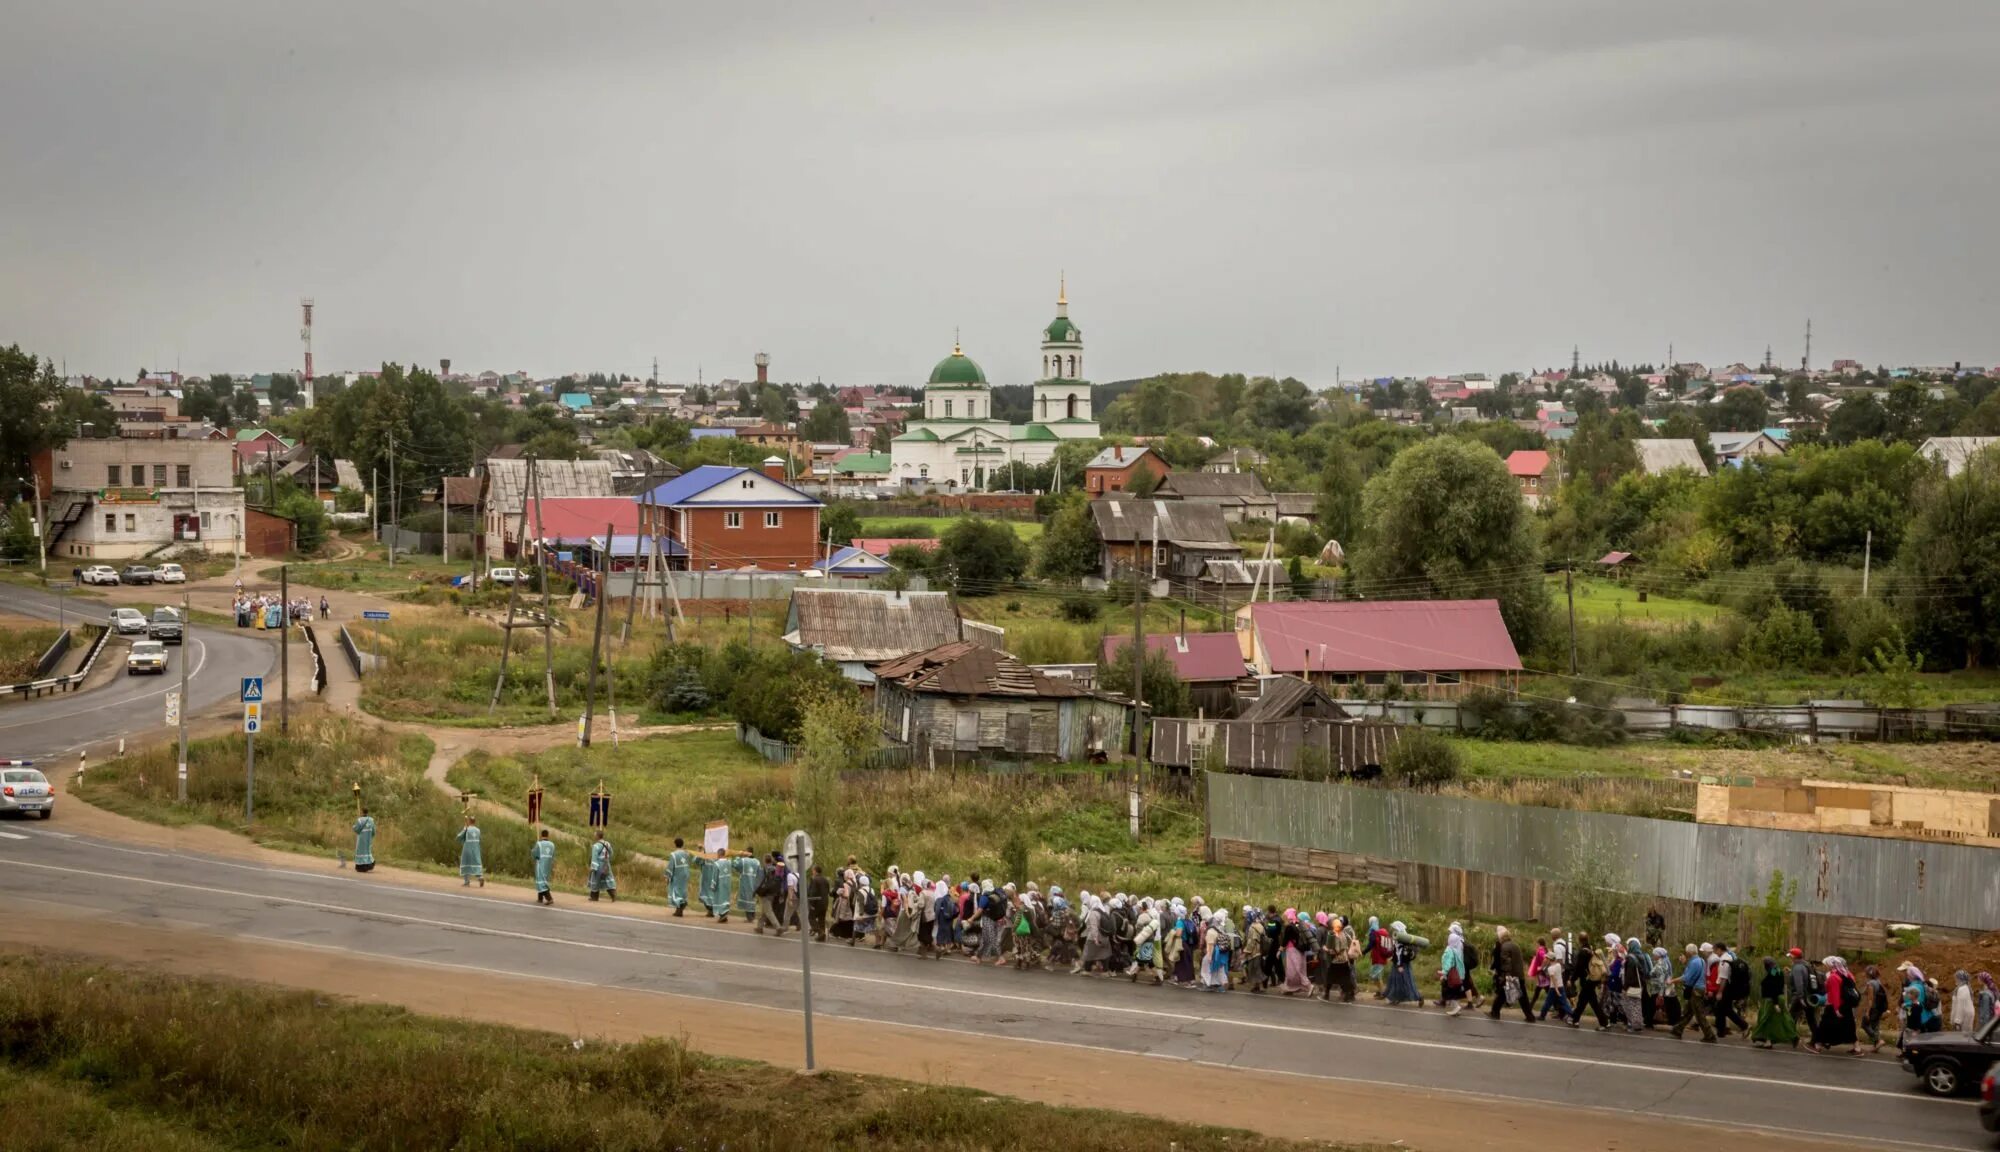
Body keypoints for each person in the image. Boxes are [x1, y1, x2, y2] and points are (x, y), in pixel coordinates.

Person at [1811, 957, 1860, 1055]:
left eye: (1826, 964)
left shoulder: (1833, 977)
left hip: (1835, 1005)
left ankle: (1818, 1046)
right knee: (1849, 1026)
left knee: (1824, 1025)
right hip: (1847, 1005)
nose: (1825, 966)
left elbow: (1835, 994)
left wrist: (1836, 1009)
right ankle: (1857, 1048)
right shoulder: (1847, 974)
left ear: (1831, 965)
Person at [1670, 944, 1716, 1042]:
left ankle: (1710, 1035)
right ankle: (1678, 1029)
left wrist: (1672, 980)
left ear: (1689, 952)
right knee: (1688, 1011)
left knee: (1699, 1014)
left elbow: (1687, 977)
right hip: (1699, 988)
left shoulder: (1694, 962)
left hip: (1696, 990)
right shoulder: (1701, 961)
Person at [1750, 957, 1800, 1049]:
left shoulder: (1774, 973)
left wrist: (1775, 1003)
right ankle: (1791, 1036)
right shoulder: (1777, 971)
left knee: (1766, 1020)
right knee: (1781, 1019)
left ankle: (1765, 1039)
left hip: (1772, 1000)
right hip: (1776, 998)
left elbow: (1774, 988)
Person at [1490, 925, 1532, 1022]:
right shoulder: (1515, 945)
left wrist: (1505, 975)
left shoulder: (1504, 947)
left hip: (1511, 975)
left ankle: (1495, 1012)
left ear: (1501, 937)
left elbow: (1507, 962)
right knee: (1522, 997)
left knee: (1502, 995)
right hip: (1519, 974)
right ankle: (1530, 1016)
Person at [1385, 921, 1427, 1007]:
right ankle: (1396, 998)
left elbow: (1399, 953)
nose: (1393, 929)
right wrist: (1393, 959)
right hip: (1404, 964)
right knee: (1399, 981)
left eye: (1394, 928)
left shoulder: (1400, 939)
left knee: (1405, 982)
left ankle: (1419, 997)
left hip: (1400, 965)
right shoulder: (1404, 937)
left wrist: (1399, 965)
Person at [1714, 944, 1750, 1038]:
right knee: (1722, 1009)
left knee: (1724, 1009)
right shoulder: (1731, 956)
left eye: (1715, 950)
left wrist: (1720, 992)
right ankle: (1721, 1031)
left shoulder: (1724, 961)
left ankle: (1744, 1026)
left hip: (1726, 988)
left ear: (1719, 949)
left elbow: (1724, 978)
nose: (1715, 952)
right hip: (1731, 987)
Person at [1320, 914, 1359, 1003]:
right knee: (1345, 978)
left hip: (1337, 960)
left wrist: (1326, 949)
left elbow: (1336, 950)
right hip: (1344, 959)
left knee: (1330, 978)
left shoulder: (1336, 936)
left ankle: (1326, 995)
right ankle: (1348, 996)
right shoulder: (1343, 934)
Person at [1537, 943, 1573, 1024]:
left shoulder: (1550, 969)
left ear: (1549, 959)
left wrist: (1556, 990)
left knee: (1548, 1002)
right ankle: (1572, 1015)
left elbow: (1553, 980)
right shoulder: (1558, 965)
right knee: (1564, 1003)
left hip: (1554, 988)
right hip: (1561, 986)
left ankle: (1542, 1016)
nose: (1546, 959)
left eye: (1547, 958)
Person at [1279, 909, 1312, 996]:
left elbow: (1285, 939)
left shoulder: (1289, 926)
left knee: (1294, 970)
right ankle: (1289, 988)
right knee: (1298, 969)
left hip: (1292, 950)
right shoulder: (1298, 924)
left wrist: (1280, 950)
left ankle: (1308, 985)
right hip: (1301, 949)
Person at [1439, 922, 1469, 1016]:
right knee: (1455, 992)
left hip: (1451, 975)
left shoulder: (1449, 950)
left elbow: (1448, 963)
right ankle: (1457, 1008)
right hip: (1458, 974)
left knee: (1448, 992)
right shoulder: (1459, 947)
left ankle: (1456, 1007)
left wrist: (1444, 973)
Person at [1788, 948, 1819, 1035]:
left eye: (1790, 955)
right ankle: (1817, 1038)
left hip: (1800, 996)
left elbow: (1799, 983)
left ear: (1794, 956)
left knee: (1791, 1016)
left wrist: (1800, 997)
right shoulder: (1806, 965)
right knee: (1811, 1018)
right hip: (1809, 996)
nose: (1790, 957)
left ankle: (1792, 1037)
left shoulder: (1797, 967)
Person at [1860, 964, 1890, 1053]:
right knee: (1875, 1026)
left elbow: (1870, 999)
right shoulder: (1878, 982)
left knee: (1864, 1025)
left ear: (1868, 974)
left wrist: (1867, 1012)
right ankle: (1876, 1046)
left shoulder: (1870, 984)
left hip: (1873, 1008)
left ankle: (1878, 1040)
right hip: (1879, 1008)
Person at [665, 838, 693, 916]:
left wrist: (667, 876)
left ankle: (681, 904)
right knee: (683, 890)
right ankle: (679, 909)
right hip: (685, 874)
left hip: (677, 875)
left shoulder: (673, 854)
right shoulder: (686, 854)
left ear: (675, 844)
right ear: (682, 844)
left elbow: (671, 866)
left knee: (675, 891)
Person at [732, 849, 761, 923]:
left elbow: (735, 865)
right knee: (752, 899)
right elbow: (759, 874)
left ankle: (750, 918)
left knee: (746, 899)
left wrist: (739, 856)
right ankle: (752, 916)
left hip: (745, 883)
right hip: (754, 884)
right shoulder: (757, 862)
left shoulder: (743, 860)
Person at [587, 830, 617, 902]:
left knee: (595, 880)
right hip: (606, 864)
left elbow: (594, 857)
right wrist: (607, 859)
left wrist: (593, 867)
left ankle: (594, 897)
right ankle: (613, 895)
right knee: (608, 879)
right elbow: (611, 853)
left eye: (595, 835)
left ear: (597, 836)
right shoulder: (607, 844)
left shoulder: (596, 846)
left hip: (599, 865)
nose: (594, 836)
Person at [1365, 916, 1390, 999]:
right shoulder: (1379, 931)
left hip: (1377, 957)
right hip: (1382, 957)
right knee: (1377, 976)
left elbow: (1370, 944)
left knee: (1375, 976)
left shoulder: (1373, 932)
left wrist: (1363, 952)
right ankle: (1380, 992)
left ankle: (1383, 993)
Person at [455, 816, 484, 887]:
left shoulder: (467, 829)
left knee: (465, 863)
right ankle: (480, 877)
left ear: (469, 821)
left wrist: (464, 829)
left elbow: (458, 837)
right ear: (474, 822)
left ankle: (467, 882)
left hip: (467, 849)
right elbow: (479, 839)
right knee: (476, 863)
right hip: (476, 850)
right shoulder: (478, 830)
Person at [530, 829, 556, 905]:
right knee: (543, 880)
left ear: (541, 835)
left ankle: (549, 898)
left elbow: (535, 854)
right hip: (548, 866)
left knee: (540, 881)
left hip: (540, 864)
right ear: (548, 836)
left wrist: (533, 850)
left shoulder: (539, 844)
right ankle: (540, 898)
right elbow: (553, 856)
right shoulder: (552, 845)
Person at [807, 865, 831, 941]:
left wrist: (811, 903)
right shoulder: (825, 880)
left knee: (811, 917)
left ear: (815, 871)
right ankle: (822, 936)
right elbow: (828, 891)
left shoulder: (815, 880)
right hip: (825, 902)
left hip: (817, 902)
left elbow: (813, 892)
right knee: (821, 919)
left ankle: (820, 932)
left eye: (813, 870)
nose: (812, 872)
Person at [351, 808, 376, 874]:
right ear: (367, 812)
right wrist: (371, 835)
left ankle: (361, 867)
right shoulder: (371, 820)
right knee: (368, 851)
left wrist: (353, 827)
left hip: (361, 839)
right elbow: (373, 831)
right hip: (368, 839)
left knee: (361, 852)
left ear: (362, 812)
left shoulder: (359, 820)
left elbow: (357, 829)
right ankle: (369, 865)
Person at [1952, 970, 1977, 1034]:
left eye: (1956, 978)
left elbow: (1960, 1006)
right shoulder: (1966, 987)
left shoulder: (1962, 989)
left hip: (1964, 1018)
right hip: (1967, 1015)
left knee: (1962, 1038)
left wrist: (1958, 1021)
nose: (1955, 980)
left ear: (1960, 979)